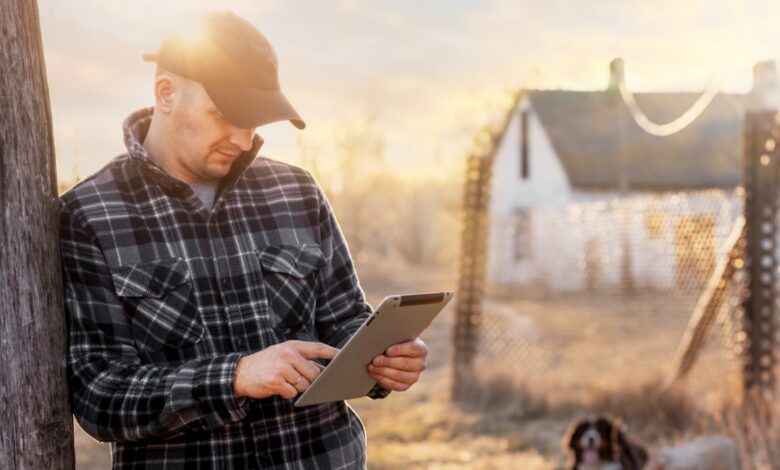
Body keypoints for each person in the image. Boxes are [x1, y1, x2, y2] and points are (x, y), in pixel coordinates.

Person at [59, 11, 428, 469]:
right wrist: (234, 376)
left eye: (255, 121)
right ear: (166, 93)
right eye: (226, 115)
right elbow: (101, 394)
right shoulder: (89, 214)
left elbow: (344, 319)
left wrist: (383, 358)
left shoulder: (296, 191)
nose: (242, 137)